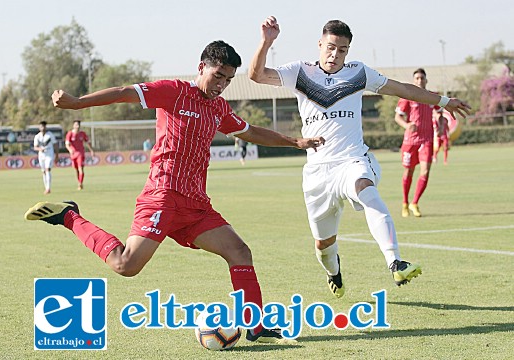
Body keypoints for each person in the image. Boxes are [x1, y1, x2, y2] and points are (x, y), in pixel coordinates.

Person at [25, 40, 323, 344]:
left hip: (196, 204)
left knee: (239, 252)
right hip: (162, 195)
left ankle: (256, 327)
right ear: (201, 67)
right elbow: (125, 93)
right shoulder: (174, 91)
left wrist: (295, 142)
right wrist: (77, 103)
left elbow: (251, 132)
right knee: (125, 265)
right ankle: (69, 216)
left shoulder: (218, 108)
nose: (222, 85)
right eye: (218, 76)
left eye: (228, 80)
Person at [249, 16, 470, 298]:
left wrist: (444, 101)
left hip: (351, 160)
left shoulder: (359, 73)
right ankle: (334, 272)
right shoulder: (299, 72)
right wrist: (266, 42)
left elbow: (402, 89)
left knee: (366, 190)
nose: (335, 54)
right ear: (320, 44)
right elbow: (256, 75)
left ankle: (395, 262)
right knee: (323, 245)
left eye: (342, 50)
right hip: (317, 172)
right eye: (330, 47)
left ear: (348, 51)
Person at [395, 68, 441, 218]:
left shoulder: (432, 97)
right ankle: (405, 203)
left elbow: (440, 112)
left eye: (422, 78)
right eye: (417, 78)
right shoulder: (406, 97)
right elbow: (398, 117)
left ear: (426, 81)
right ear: (413, 81)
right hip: (410, 141)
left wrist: (441, 124)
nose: (420, 80)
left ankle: (415, 203)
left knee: (425, 171)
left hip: (427, 140)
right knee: (409, 171)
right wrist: (407, 125)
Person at [65, 120, 94, 190]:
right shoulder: (70, 134)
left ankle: (80, 183)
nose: (77, 126)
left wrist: (91, 150)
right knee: (76, 169)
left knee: (81, 168)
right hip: (73, 154)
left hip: (80, 153)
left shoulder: (82, 134)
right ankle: (79, 182)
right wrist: (70, 150)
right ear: (73, 126)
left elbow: (88, 142)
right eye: (76, 125)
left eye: (78, 125)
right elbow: (67, 144)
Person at [33, 121, 58, 194]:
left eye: (44, 126)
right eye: (41, 126)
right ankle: (46, 187)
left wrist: (57, 155)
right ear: (39, 127)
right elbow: (35, 147)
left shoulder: (50, 135)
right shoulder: (37, 136)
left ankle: (48, 188)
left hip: (49, 154)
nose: (43, 128)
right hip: (41, 155)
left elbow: (55, 144)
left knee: (48, 169)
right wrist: (40, 149)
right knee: (43, 171)